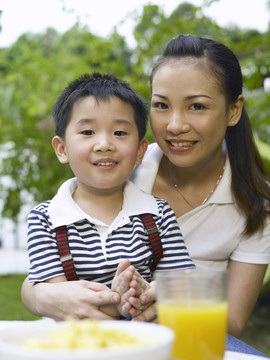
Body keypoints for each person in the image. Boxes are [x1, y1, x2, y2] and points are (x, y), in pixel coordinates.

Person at [21, 35, 270, 337]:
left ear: (233, 110)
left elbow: (231, 323)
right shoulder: (119, 167)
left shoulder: (255, 204)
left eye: (197, 106)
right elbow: (47, 268)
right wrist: (41, 296)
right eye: (162, 105)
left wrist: (162, 302)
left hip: (186, 333)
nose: (175, 125)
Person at [24, 72, 194, 320]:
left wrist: (147, 292)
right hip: (73, 342)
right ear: (62, 149)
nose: (104, 144)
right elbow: (60, 300)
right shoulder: (45, 220)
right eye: (88, 132)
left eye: (120, 133)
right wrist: (120, 302)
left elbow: (183, 284)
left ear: (139, 151)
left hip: (146, 339)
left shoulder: (158, 214)